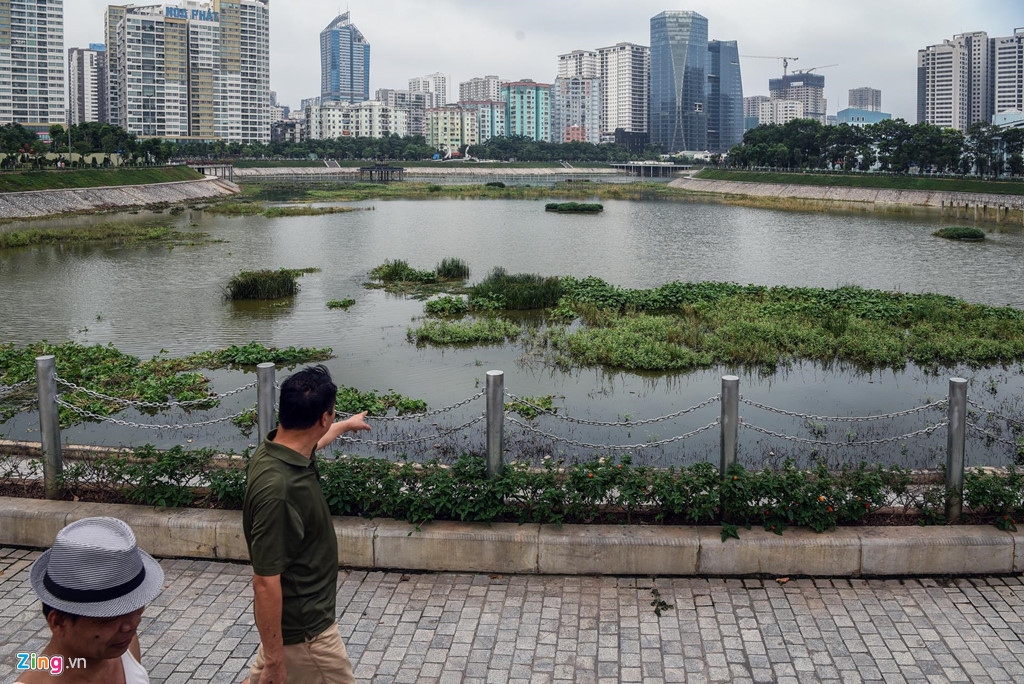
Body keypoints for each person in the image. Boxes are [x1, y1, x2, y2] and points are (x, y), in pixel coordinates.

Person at [242, 364, 371, 684]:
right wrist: (275, 660)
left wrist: (345, 425)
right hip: (308, 635)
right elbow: (264, 582)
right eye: (331, 416)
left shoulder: (277, 447)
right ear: (322, 417)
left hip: (293, 629)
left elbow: (315, 440)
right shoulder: (281, 491)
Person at [19, 517, 164, 683]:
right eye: (110, 617)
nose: (132, 625)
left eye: (136, 607)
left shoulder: (121, 645)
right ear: (58, 622)